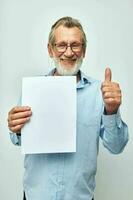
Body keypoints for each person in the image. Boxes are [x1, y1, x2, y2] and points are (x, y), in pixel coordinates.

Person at [8, 16, 128, 200]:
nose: (69, 52)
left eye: (75, 45)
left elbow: (117, 146)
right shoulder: (32, 90)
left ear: (84, 50)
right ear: (50, 50)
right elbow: (17, 139)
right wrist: (16, 128)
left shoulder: (100, 92)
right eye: (61, 45)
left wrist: (112, 111)